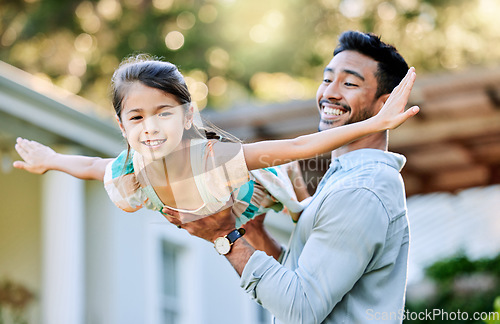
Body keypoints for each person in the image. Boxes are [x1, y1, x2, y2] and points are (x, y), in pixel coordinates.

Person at [162, 30, 415, 323]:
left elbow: (301, 309)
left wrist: (223, 235)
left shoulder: (361, 190)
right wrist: (254, 233)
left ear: (384, 106)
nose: (329, 92)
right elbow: (304, 282)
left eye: (349, 83)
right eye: (326, 79)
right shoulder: (345, 181)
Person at [14, 53, 418, 230]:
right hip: (217, 207)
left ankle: (304, 195)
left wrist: (374, 124)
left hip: (259, 185)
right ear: (122, 126)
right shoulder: (130, 169)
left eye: (163, 113)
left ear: (188, 117)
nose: (150, 127)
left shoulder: (213, 157)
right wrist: (49, 159)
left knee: (295, 187)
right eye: (136, 118)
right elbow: (90, 166)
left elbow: (295, 146)